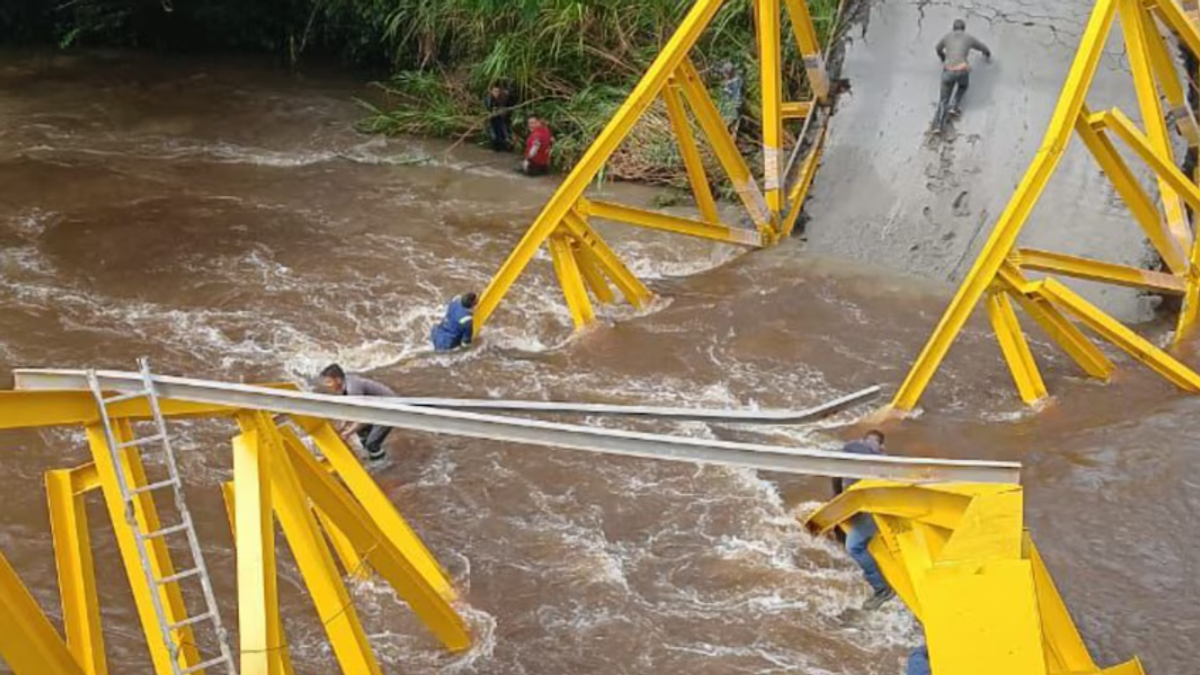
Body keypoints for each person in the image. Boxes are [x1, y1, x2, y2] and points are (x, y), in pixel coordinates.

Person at [832, 429, 896, 610]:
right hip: (879, 502)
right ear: (881, 445)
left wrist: (837, 498)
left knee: (854, 547)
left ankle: (882, 589)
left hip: (865, 504)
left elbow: (835, 475)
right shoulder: (886, 459)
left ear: (863, 439)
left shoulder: (850, 446)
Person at [320, 364, 395, 469]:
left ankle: (383, 464)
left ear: (338, 380)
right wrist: (343, 425)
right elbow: (352, 409)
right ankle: (372, 455)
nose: (327, 385)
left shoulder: (353, 389)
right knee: (362, 433)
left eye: (329, 382)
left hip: (390, 410)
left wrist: (348, 432)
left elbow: (363, 417)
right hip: (375, 409)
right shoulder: (345, 384)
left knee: (371, 442)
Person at [935, 19, 991, 126]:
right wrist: (987, 53)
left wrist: (942, 57)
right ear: (963, 28)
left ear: (953, 28)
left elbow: (938, 48)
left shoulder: (946, 37)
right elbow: (982, 47)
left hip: (948, 70)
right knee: (963, 86)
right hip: (961, 69)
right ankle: (954, 105)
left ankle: (938, 125)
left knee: (943, 99)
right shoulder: (968, 38)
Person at [717, 61, 744, 134]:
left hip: (731, 109)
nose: (723, 75)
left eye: (724, 73)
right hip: (726, 108)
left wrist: (736, 107)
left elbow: (737, 96)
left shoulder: (736, 83)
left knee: (730, 126)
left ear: (729, 73)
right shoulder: (729, 82)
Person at [485, 84, 514, 152]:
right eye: (495, 91)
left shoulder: (503, 98)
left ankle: (506, 146)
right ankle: (497, 148)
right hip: (492, 120)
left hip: (502, 119)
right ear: (491, 91)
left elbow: (508, 108)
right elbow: (486, 110)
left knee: (503, 134)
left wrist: (503, 111)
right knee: (495, 136)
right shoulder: (488, 99)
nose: (496, 93)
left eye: (498, 91)